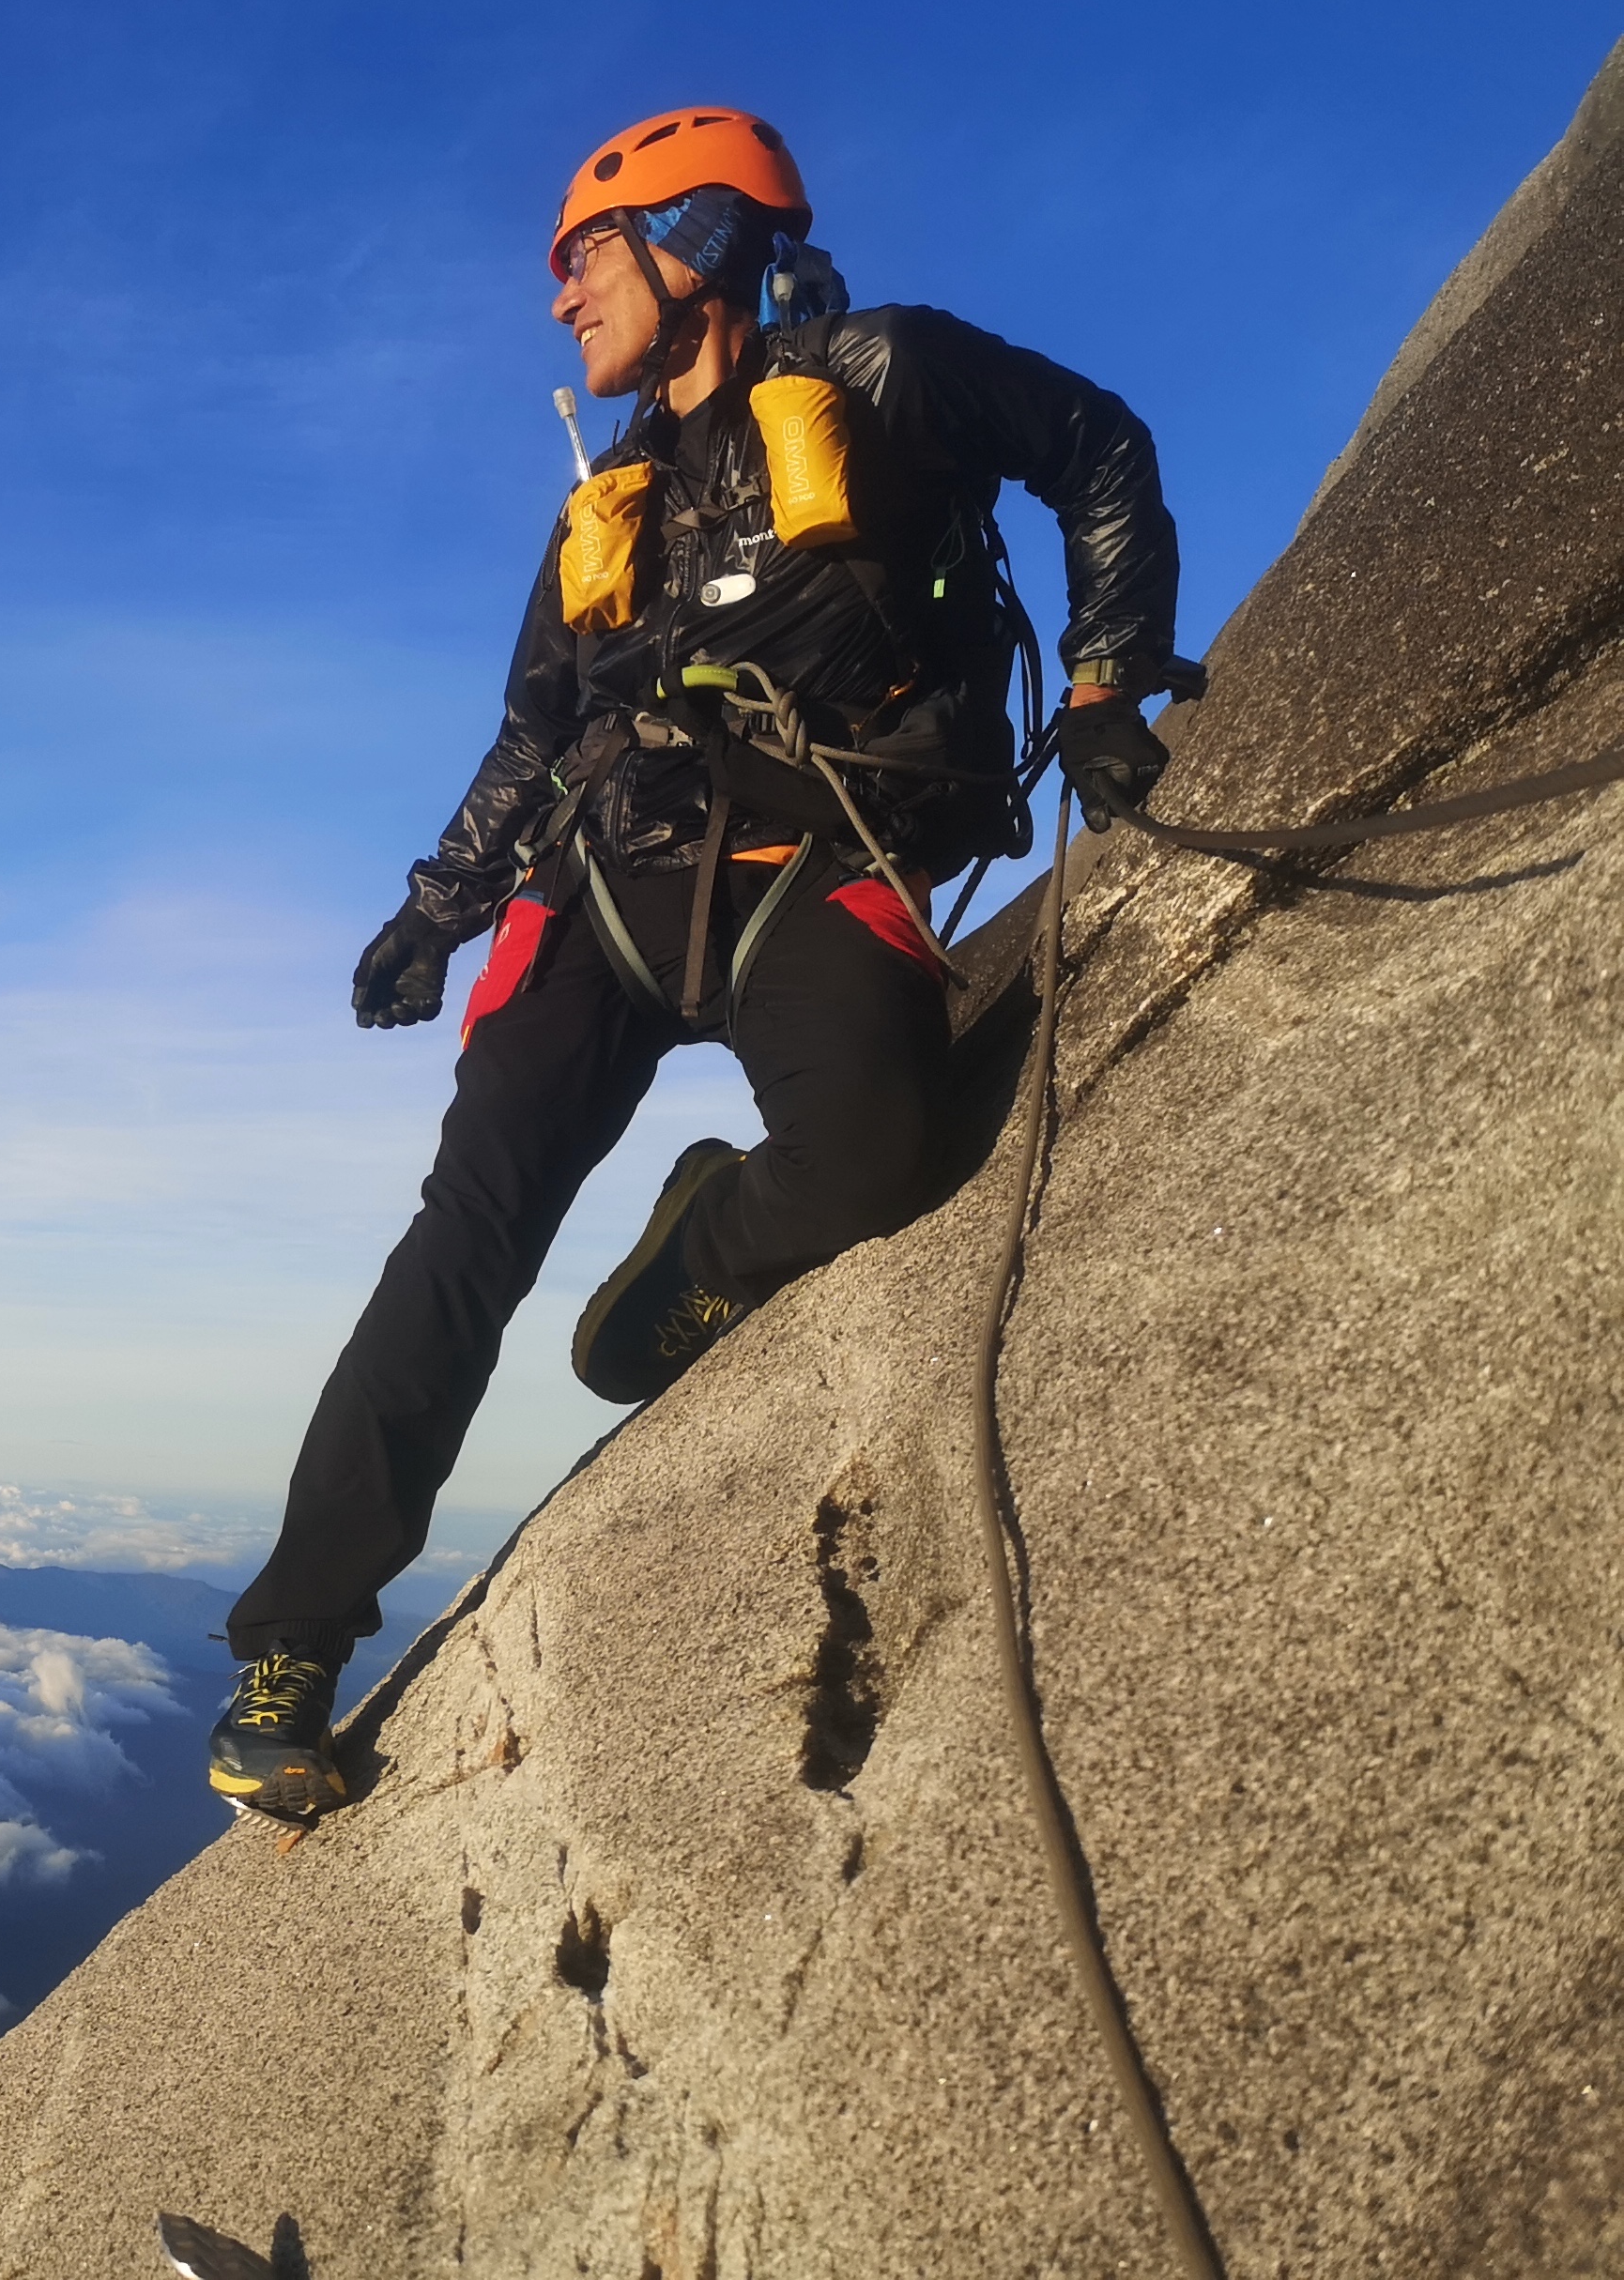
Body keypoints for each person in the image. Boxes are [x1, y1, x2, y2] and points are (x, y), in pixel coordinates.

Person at [207, 107, 1193, 1820]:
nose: (559, 301)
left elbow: (1094, 448)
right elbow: (535, 735)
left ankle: (689, 1269)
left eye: (582, 256)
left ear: (699, 238)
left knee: (879, 1144)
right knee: (470, 1236)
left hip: (813, 860)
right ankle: (290, 1652)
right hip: (602, 887)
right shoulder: (614, 499)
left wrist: (1105, 684)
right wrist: (435, 913)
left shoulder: (884, 373)